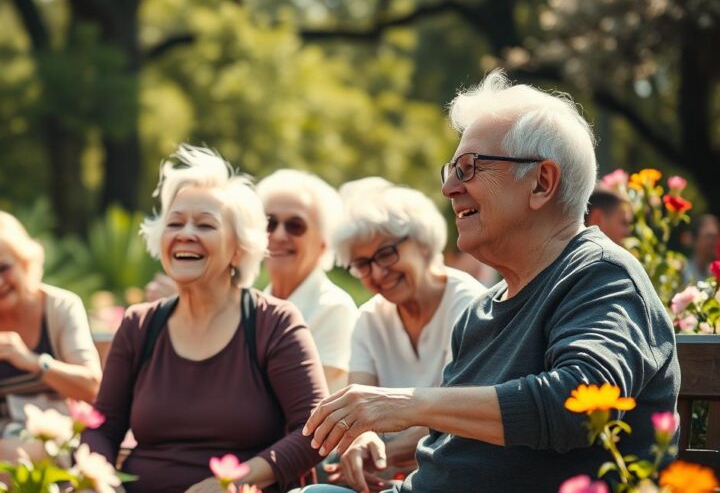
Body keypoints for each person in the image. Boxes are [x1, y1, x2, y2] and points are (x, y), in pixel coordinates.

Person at [302, 70, 679, 493]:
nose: (447, 188)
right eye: (451, 170)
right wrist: (381, 447)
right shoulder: (483, 309)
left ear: (542, 182)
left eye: (468, 169)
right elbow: (459, 442)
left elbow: (581, 402)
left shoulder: (601, 275)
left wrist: (406, 403)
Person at [83, 145, 327, 493]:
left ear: (239, 247)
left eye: (205, 224)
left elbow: (313, 431)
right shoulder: (139, 325)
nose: (186, 233)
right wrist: (101, 480)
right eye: (175, 222)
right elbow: (101, 429)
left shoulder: (274, 323)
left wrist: (227, 482)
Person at [324, 179, 488, 490]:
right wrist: (361, 440)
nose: (377, 273)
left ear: (423, 243)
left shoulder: (470, 306)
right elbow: (358, 411)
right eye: (362, 264)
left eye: (386, 254)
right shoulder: (369, 319)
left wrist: (380, 454)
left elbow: (460, 420)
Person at [0, 210, 102, 476]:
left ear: (24, 263)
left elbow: (92, 387)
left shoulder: (61, 306)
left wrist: (33, 362)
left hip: (53, 429)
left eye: (4, 268)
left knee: (5, 456)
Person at [257, 169, 358, 393]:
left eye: (295, 226)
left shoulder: (333, 309)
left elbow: (310, 402)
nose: (279, 235)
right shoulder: (250, 306)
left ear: (324, 241)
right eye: (269, 223)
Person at [681, 213, 719, 283]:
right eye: (709, 236)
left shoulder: (715, 275)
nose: (713, 242)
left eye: (715, 237)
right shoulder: (681, 271)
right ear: (695, 239)